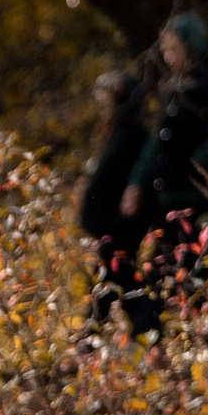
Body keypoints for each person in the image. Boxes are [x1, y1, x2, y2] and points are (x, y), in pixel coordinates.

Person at [120, 13, 208, 318]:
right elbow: (156, 144)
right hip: (168, 206)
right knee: (166, 282)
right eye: (165, 49)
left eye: (173, 48)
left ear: (191, 47)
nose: (167, 55)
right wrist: (136, 183)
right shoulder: (174, 90)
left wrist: (191, 167)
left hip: (204, 204)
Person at [78, 70, 155, 339]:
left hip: (119, 227)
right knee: (107, 283)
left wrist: (112, 223)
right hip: (108, 227)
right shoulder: (117, 133)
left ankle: (148, 335)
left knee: (116, 282)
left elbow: (121, 185)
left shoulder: (134, 135)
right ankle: (91, 343)